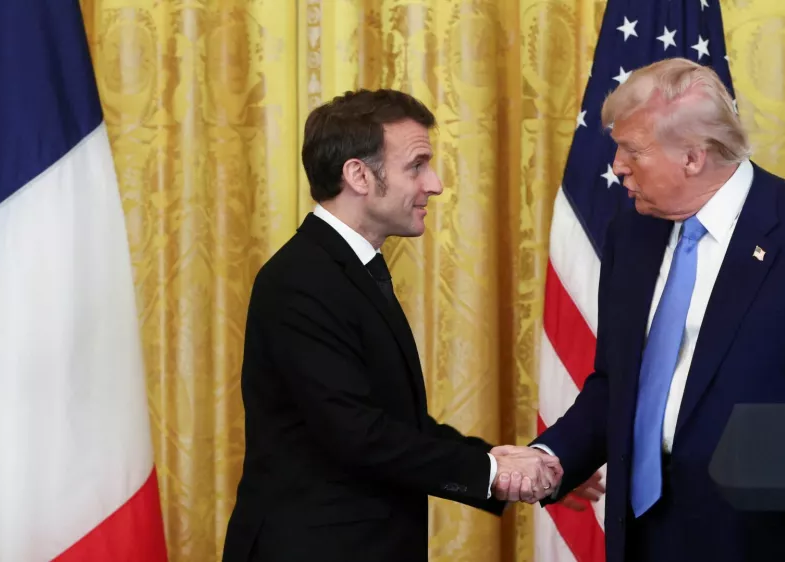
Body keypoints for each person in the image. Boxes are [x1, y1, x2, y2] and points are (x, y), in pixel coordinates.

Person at [499, 58, 785, 562]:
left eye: (631, 150)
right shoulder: (631, 232)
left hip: (764, 532)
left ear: (693, 158)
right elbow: (616, 381)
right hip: (643, 528)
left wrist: (780, 448)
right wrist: (552, 455)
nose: (617, 167)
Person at [221, 89, 563, 562]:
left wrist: (504, 463)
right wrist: (490, 471)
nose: (436, 183)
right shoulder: (300, 279)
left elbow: (397, 425)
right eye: (417, 165)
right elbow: (356, 434)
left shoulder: (345, 269)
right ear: (359, 174)